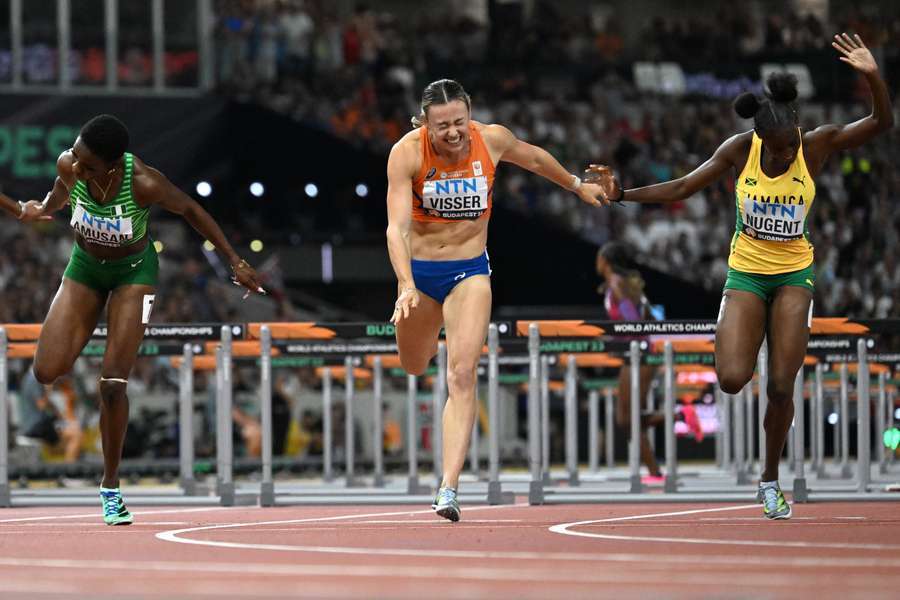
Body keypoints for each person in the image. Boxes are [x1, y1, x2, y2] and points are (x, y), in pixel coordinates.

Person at [586, 33, 893, 519]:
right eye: (778, 150)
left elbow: (882, 122)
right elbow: (685, 186)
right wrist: (623, 193)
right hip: (746, 274)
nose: (787, 155)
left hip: (794, 273)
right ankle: (748, 346)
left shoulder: (815, 146)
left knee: (780, 387)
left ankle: (770, 480)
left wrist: (873, 76)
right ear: (759, 141)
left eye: (791, 145)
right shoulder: (739, 150)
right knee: (730, 378)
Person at [15, 114, 265, 525]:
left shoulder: (143, 182)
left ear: (112, 166)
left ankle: (110, 488)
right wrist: (41, 209)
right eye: (76, 155)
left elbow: (191, 210)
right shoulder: (69, 165)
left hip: (134, 273)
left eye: (87, 164)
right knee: (46, 370)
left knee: (113, 383)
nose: (77, 166)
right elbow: (60, 192)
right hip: (84, 268)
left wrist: (234, 260)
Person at [385, 78, 607, 521]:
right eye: (442, 125)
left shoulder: (492, 139)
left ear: (470, 114)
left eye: (459, 122)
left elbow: (536, 158)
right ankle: (423, 334)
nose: (453, 132)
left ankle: (448, 488)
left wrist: (575, 185)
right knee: (414, 362)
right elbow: (397, 228)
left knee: (463, 373)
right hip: (421, 274)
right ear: (425, 124)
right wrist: (405, 285)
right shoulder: (407, 152)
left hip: (470, 270)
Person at [595, 241, 664, 481]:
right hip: (635, 353)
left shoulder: (616, 285)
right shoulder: (618, 284)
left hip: (640, 354)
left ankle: (656, 470)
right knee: (627, 418)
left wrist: (617, 339)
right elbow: (648, 315)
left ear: (605, 260)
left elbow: (632, 320)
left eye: (599, 257)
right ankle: (654, 470)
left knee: (628, 418)